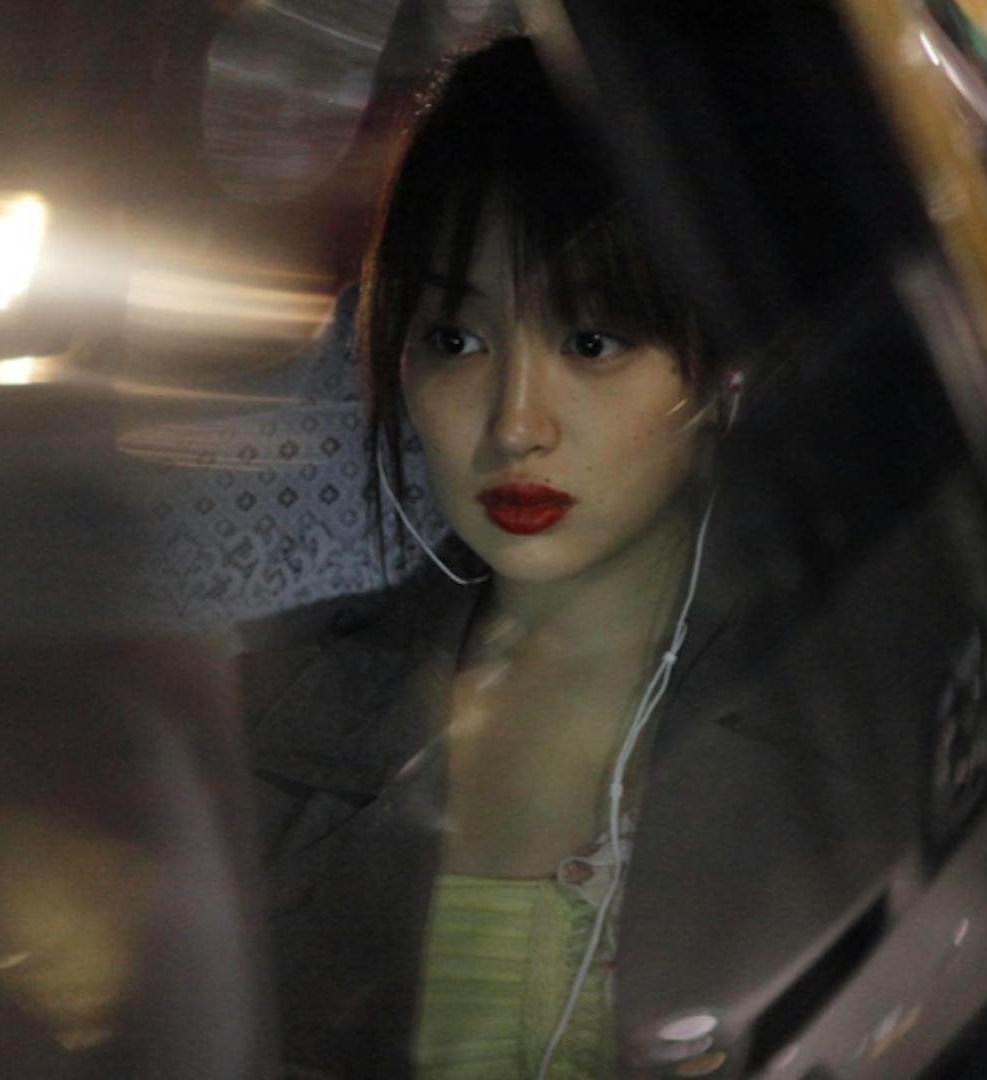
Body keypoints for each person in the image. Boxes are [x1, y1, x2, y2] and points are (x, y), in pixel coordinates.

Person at [238, 35, 733, 1080]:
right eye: (455, 341)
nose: (515, 425)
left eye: (591, 342)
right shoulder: (273, 719)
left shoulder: (847, 689)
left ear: (719, 359)